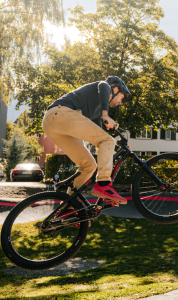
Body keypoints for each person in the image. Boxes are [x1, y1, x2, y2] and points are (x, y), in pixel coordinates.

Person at [41, 76, 132, 204]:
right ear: (115, 89)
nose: (120, 102)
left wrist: (117, 148)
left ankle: (69, 207)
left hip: (52, 125)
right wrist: (105, 115)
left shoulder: (96, 112)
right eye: (121, 98)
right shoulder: (104, 86)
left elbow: (99, 137)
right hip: (61, 113)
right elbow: (104, 86)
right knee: (108, 141)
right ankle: (104, 184)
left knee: (89, 165)